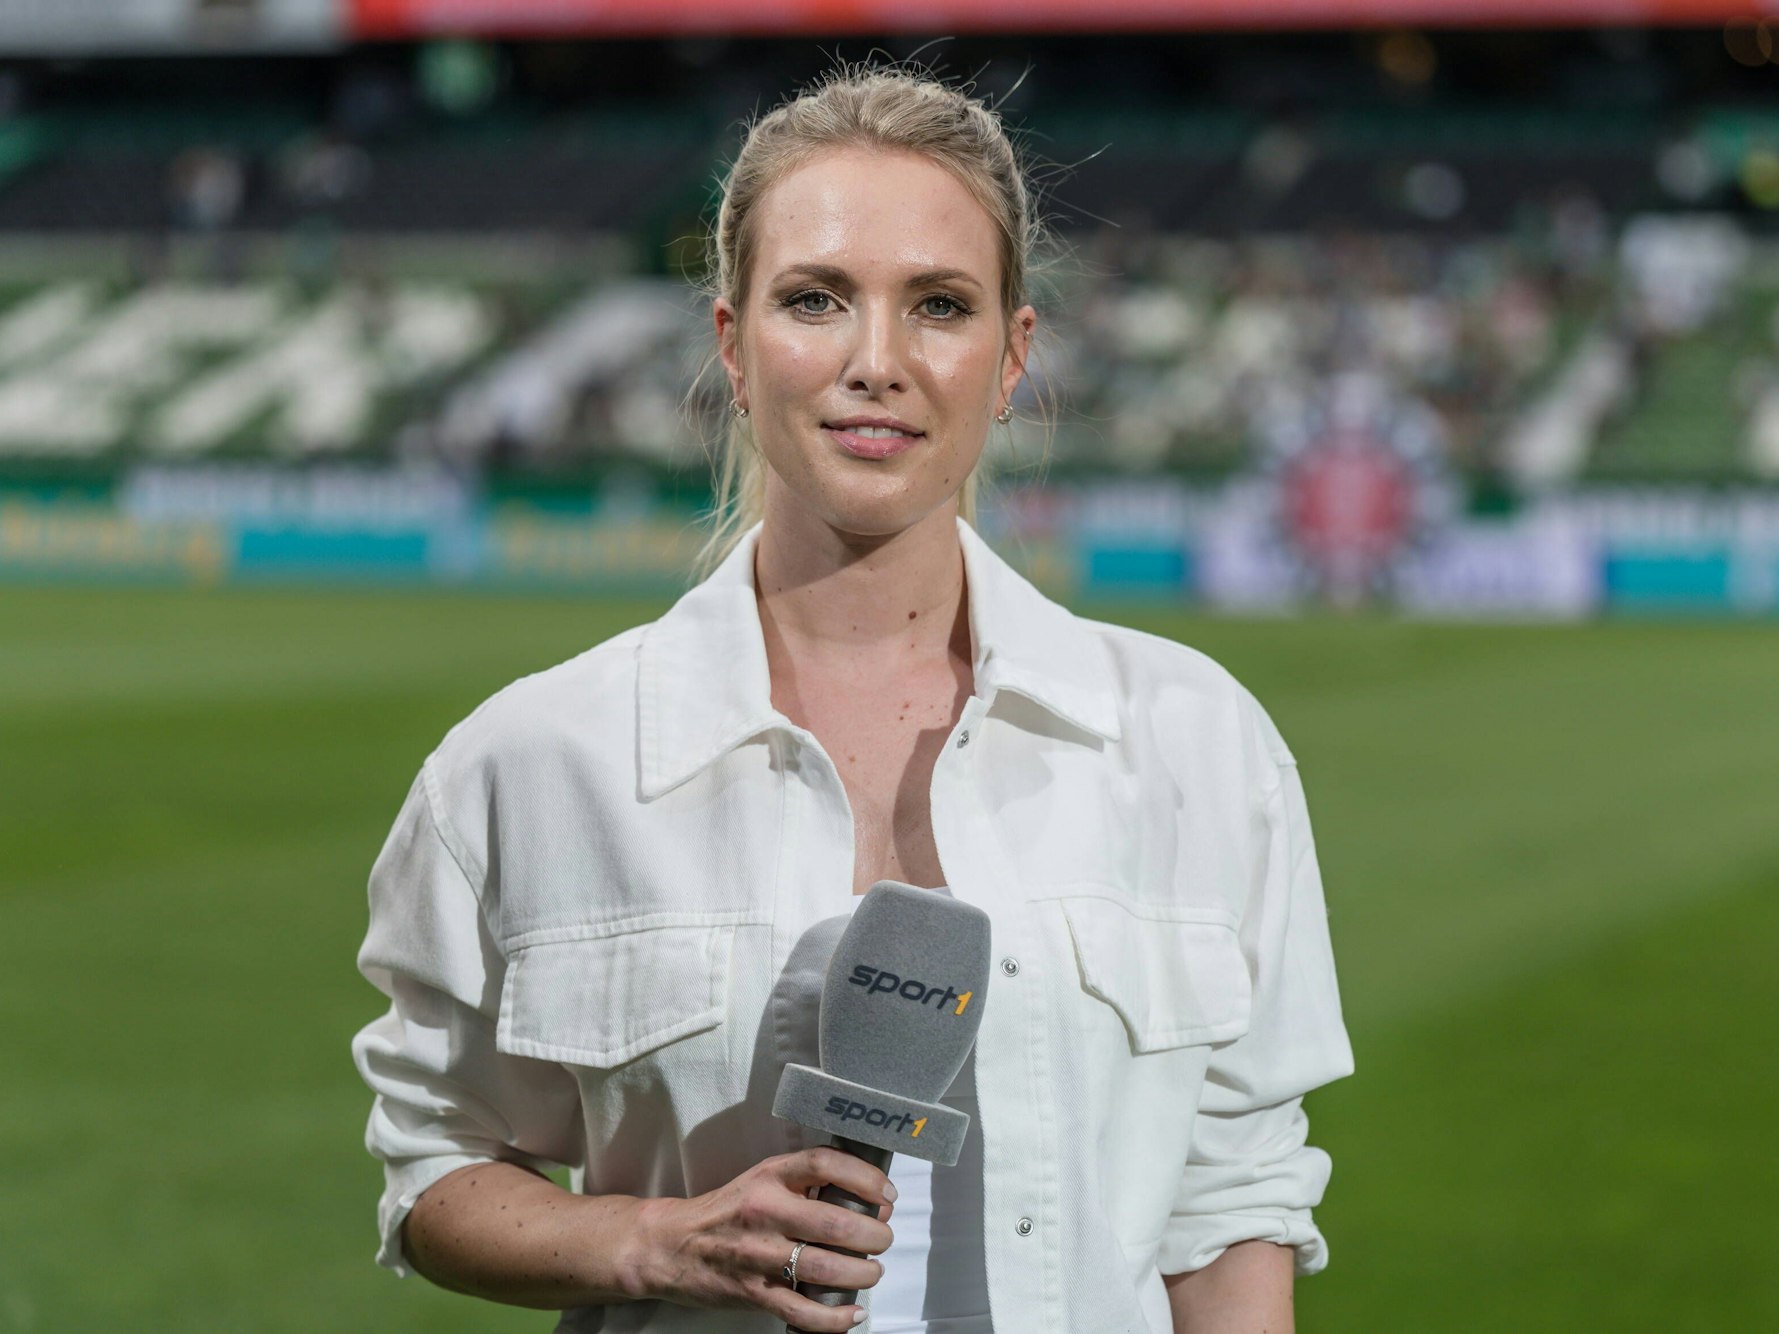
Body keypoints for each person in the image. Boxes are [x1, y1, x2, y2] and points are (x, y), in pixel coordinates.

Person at [351, 65, 1353, 1334]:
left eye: (939, 305)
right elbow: (437, 1161)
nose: (876, 360)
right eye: (815, 299)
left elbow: (1233, 1213)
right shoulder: (531, 762)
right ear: (732, 342)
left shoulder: (1199, 743)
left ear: (1012, 355)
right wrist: (656, 1238)